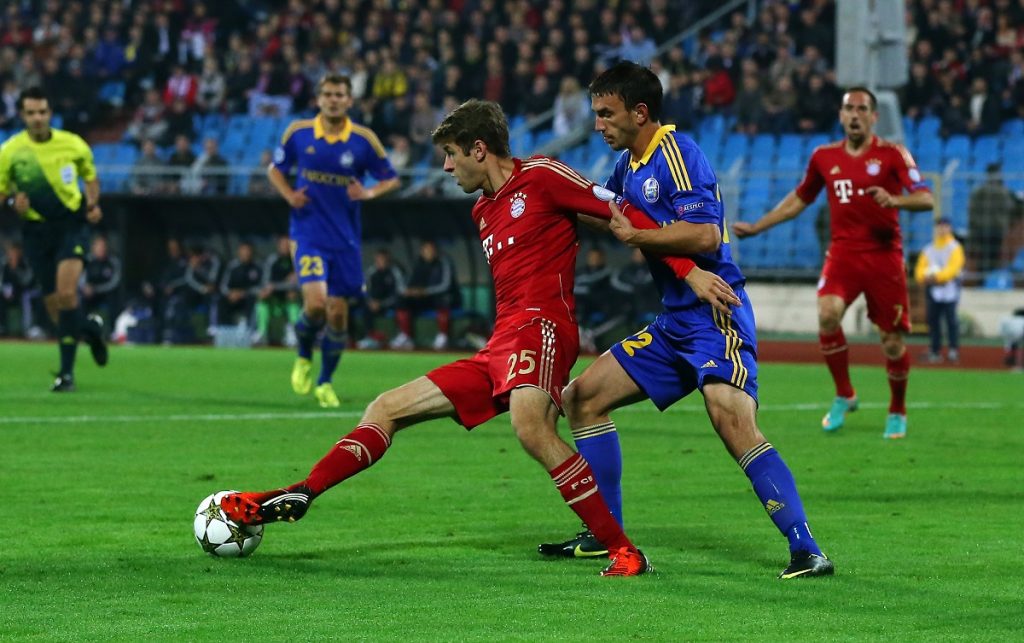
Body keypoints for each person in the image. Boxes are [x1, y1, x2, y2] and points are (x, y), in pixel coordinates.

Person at [219, 99, 736, 577]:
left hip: (545, 327)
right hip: (499, 345)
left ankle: (623, 551)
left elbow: (624, 215)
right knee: (385, 407)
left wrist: (687, 270)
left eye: (450, 155)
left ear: (479, 149)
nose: (447, 168)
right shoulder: (482, 210)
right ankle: (300, 492)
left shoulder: (543, 175)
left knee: (531, 428)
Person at [540, 61, 833, 579]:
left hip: (715, 313)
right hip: (674, 323)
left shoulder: (677, 155)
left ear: (640, 111)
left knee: (732, 421)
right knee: (582, 399)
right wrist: (543, 196)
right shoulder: (628, 166)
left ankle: (806, 548)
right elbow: (609, 216)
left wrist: (640, 238)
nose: (599, 124)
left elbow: (706, 236)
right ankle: (603, 533)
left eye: (607, 114)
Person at [733, 86, 934, 440]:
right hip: (842, 253)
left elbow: (926, 199)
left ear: (874, 117)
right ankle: (845, 393)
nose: (855, 114)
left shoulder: (893, 155)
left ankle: (897, 409)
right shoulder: (823, 157)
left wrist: (894, 200)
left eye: (862, 109)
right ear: (841, 116)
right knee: (827, 315)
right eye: (849, 108)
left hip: (884, 256)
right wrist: (759, 226)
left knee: (890, 341)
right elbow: (799, 199)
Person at [268, 73, 401, 409]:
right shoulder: (298, 133)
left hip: (345, 240)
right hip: (308, 232)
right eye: (327, 93)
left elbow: (391, 178)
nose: (333, 99)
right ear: (318, 98)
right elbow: (275, 169)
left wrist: (368, 192)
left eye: (340, 94)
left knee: (339, 316)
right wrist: (288, 195)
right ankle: (302, 356)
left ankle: (325, 382)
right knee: (315, 304)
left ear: (349, 100)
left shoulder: (363, 140)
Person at [0, 87, 108, 391]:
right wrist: (11, 203)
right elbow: (3, 192)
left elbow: (90, 176)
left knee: (66, 295)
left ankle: (66, 374)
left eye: (42, 112)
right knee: (56, 312)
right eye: (31, 113)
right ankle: (90, 329)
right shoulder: (10, 151)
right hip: (36, 233)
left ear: (50, 113)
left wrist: (93, 204)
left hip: (71, 226)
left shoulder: (72, 144)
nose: (37, 118)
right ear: (22, 115)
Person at [389, 239, 458, 351]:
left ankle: (443, 336)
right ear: (422, 251)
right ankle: (406, 336)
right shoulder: (417, 264)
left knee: (443, 300)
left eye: (431, 250)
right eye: (426, 250)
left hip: (439, 297)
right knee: (401, 300)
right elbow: (406, 283)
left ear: (436, 251)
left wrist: (425, 291)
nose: (429, 252)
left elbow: (446, 285)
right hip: (421, 299)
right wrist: (410, 291)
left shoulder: (444, 263)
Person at [914, 217, 964, 364]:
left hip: (950, 289)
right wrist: (924, 278)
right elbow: (920, 269)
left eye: (945, 226)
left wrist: (938, 277)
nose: (942, 230)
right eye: (939, 227)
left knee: (951, 320)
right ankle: (935, 350)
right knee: (933, 321)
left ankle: (953, 349)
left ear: (950, 228)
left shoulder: (955, 247)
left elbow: (954, 268)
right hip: (933, 289)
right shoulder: (929, 248)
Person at [968, 163, 1021, 274]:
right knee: (995, 256)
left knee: (984, 256)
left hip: (982, 229)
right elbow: (1013, 209)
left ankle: (984, 279)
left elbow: (972, 210)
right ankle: (992, 279)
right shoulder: (1005, 192)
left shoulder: (979, 191)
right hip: (997, 228)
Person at [255, 235, 299, 346]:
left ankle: (293, 332)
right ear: (278, 246)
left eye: (288, 245)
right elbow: (266, 283)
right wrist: (284, 284)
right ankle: (262, 333)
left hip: (291, 300)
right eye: (283, 245)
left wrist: (289, 285)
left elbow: (301, 284)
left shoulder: (298, 261)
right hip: (274, 300)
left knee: (293, 299)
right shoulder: (272, 260)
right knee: (261, 300)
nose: (286, 247)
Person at [358, 248, 404, 349]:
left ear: (388, 260)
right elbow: (363, 289)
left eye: (384, 259)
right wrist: (371, 302)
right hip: (373, 303)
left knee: (402, 303)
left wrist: (382, 304)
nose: (381, 262)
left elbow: (400, 292)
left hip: (389, 303)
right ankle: (369, 337)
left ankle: (401, 336)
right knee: (362, 305)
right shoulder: (371, 272)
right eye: (379, 260)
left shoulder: (395, 271)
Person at [80, 235, 122, 332]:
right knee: (79, 301)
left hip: (106, 294)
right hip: (89, 295)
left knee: (114, 302)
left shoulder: (113, 262)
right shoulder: (88, 261)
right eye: (99, 246)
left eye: (103, 246)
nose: (101, 249)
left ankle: (113, 332)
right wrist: (85, 287)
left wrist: (96, 289)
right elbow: (81, 278)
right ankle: (81, 331)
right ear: (93, 248)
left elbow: (114, 282)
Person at [218, 240, 262, 328]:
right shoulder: (232, 266)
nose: (246, 253)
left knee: (254, 301)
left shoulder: (258, 267)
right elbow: (223, 286)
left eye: (248, 250)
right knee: (221, 301)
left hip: (249, 297)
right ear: (238, 252)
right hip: (232, 297)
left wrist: (243, 293)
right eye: (243, 250)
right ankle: (224, 330)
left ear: (252, 252)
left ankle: (251, 330)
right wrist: (230, 293)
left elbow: (261, 286)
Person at [0, 240, 40, 336]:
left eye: (14, 252)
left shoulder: (25, 263)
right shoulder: (5, 265)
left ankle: (27, 328)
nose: (12, 254)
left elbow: (27, 281)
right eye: (11, 252)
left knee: (26, 297)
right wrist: (6, 291)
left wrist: (15, 270)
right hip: (10, 293)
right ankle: (2, 326)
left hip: (27, 291)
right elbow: (4, 282)